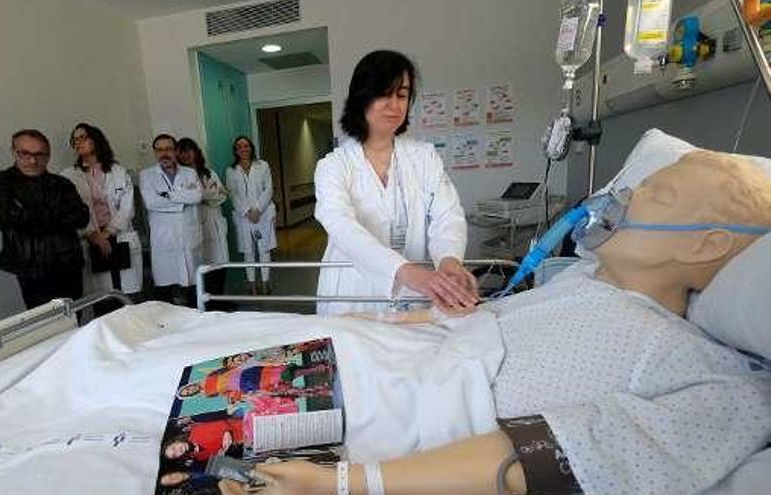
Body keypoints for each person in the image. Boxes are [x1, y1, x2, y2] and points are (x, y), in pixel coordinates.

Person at [219, 151, 771, 495]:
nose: (625, 197)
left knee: (190, 397)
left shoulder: (701, 373)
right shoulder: (583, 281)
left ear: (709, 243)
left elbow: (547, 457)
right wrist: (385, 321)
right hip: (390, 351)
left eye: (660, 195)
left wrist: (339, 484)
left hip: (408, 397)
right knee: (221, 351)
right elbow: (484, 322)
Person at [314, 50, 477, 316]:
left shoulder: (424, 156)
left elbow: (448, 215)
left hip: (415, 293)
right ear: (361, 98)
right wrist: (407, 272)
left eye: (401, 95)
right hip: (352, 294)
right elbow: (343, 228)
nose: (394, 104)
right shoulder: (333, 166)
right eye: (383, 93)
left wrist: (449, 261)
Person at [0, 129, 90, 309]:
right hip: (31, 266)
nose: (33, 161)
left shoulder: (61, 183)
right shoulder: (0, 182)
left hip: (68, 262)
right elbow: (11, 220)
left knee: (74, 316)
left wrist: (33, 214)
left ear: (48, 156)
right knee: (45, 323)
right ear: (14, 152)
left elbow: (82, 217)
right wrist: (61, 214)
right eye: (25, 153)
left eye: (39, 154)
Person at [60, 123, 143, 315]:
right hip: (91, 239)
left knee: (129, 296)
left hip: (118, 233)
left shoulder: (118, 171)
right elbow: (72, 211)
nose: (78, 142)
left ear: (96, 139)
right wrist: (93, 235)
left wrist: (107, 233)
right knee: (103, 298)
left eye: (83, 137)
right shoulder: (68, 176)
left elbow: (127, 207)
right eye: (75, 139)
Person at [140, 134, 203, 307]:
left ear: (175, 151)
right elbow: (151, 202)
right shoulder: (147, 175)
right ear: (155, 153)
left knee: (193, 288)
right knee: (164, 290)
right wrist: (183, 200)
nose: (164, 154)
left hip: (189, 238)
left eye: (168, 149)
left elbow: (197, 196)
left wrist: (167, 195)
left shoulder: (189, 173)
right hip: (164, 239)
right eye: (159, 150)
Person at [178, 138, 230, 308]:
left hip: (214, 224)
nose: (187, 154)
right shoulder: (179, 176)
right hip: (196, 226)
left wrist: (202, 196)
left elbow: (222, 195)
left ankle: (218, 303)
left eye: (190, 150)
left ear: (196, 152)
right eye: (183, 151)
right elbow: (186, 199)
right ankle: (204, 306)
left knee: (219, 266)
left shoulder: (209, 173)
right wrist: (206, 195)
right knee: (201, 270)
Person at [225, 136, 277, 295]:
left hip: (263, 214)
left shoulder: (263, 165)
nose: (243, 149)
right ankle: (252, 285)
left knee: (264, 249)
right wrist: (247, 211)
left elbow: (269, 189)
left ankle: (266, 282)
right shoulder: (231, 170)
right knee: (248, 251)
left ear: (251, 148)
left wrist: (258, 210)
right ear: (236, 150)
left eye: (246, 146)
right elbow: (233, 194)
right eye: (239, 147)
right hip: (244, 217)